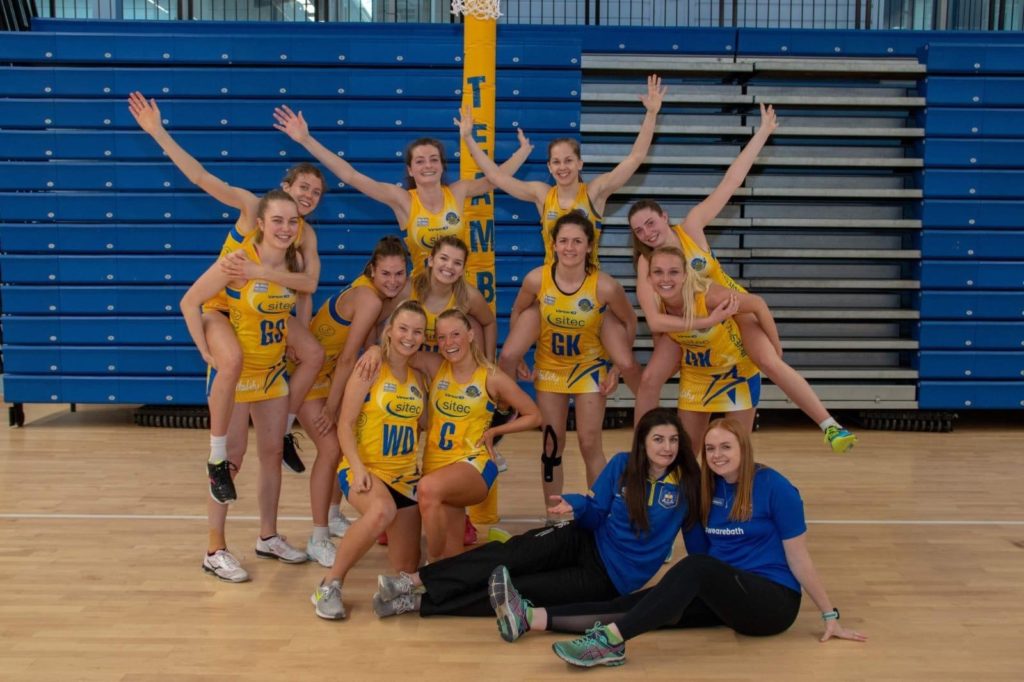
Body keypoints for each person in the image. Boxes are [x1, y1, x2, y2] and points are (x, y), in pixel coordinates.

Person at [498, 417, 866, 668]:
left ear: (743, 448)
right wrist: (678, 591)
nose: (717, 456)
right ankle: (531, 618)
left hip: (771, 603)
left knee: (694, 569)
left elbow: (799, 559)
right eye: (710, 449)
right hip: (726, 594)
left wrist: (829, 614)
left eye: (726, 447)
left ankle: (610, 642)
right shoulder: (704, 487)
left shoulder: (776, 488)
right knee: (640, 604)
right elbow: (702, 554)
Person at [627, 103, 856, 453]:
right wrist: (685, 330)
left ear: (664, 217)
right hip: (688, 320)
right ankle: (641, 451)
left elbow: (731, 180)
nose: (647, 232)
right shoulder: (645, 262)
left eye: (651, 223)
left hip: (729, 307)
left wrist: (762, 132)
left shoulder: (692, 226)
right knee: (649, 380)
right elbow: (655, 321)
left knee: (769, 362)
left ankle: (829, 425)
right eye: (639, 230)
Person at [129, 92, 326, 483]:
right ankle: (219, 460)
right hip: (221, 306)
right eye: (302, 187)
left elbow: (306, 289)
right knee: (232, 376)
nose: (307, 196)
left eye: (316, 193)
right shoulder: (253, 207)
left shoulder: (303, 235)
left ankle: (284, 430)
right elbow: (202, 177)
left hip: (260, 309)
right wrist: (158, 132)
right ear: (285, 185)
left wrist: (292, 332)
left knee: (313, 352)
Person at [370, 408, 704, 623]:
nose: (667, 448)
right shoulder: (622, 465)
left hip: (610, 579)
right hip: (585, 539)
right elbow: (597, 511)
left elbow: (697, 541)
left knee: (517, 589)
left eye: (673, 440)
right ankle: (412, 581)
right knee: (509, 555)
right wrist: (576, 506)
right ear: (642, 443)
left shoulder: (689, 484)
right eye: (658, 439)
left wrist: (713, 578)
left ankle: (417, 605)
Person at [458, 74, 667, 396]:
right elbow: (496, 176)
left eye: (569, 160)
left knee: (626, 364)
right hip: (552, 290)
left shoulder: (595, 192)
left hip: (589, 290)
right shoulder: (543, 194)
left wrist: (651, 114)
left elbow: (634, 159)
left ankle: (650, 422)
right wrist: (469, 138)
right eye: (556, 161)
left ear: (580, 163)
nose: (562, 166)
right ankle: (501, 417)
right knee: (510, 355)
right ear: (550, 166)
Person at [180, 190, 309, 582]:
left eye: (292, 221)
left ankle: (267, 536)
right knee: (229, 461)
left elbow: (300, 298)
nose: (285, 228)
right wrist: (207, 352)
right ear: (261, 224)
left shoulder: (295, 263)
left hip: (271, 372)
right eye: (277, 221)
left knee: (271, 455)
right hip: (237, 374)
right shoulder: (237, 261)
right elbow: (190, 302)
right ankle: (214, 550)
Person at [357, 308, 540, 564]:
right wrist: (375, 349)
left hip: (473, 463)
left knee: (427, 489)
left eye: (455, 334)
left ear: (471, 334)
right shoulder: (434, 365)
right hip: (438, 466)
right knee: (451, 557)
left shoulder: (491, 376)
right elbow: (399, 350)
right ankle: (471, 564)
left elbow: (534, 415)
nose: (448, 343)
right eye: (442, 337)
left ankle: (428, 570)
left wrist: (495, 431)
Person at [272, 104, 532, 284]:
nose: (428, 165)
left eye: (433, 159)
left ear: (442, 165)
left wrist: (522, 153)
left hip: (457, 287)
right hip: (419, 292)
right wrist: (306, 139)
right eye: (420, 161)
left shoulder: (459, 191)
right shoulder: (403, 200)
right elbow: (351, 176)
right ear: (410, 169)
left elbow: (495, 180)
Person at [507, 212, 637, 516]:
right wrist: (524, 356)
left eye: (577, 241)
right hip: (551, 369)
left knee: (590, 443)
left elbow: (629, 322)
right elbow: (519, 312)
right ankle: (555, 516)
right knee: (552, 446)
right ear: (553, 244)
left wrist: (616, 369)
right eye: (563, 240)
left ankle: (604, 515)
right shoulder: (536, 279)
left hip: (589, 369)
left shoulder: (604, 287)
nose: (570, 247)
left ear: (590, 246)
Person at [309, 300, 428, 620]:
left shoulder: (419, 379)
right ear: (389, 332)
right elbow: (345, 424)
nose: (409, 336)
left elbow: (426, 425)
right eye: (403, 328)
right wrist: (357, 467)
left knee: (406, 573)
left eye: (417, 331)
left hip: (405, 478)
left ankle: (393, 597)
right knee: (380, 511)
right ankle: (329, 585)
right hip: (366, 470)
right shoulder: (370, 367)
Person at [299, 236, 409, 567]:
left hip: (327, 372)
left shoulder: (376, 293)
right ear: (372, 270)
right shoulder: (369, 299)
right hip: (312, 375)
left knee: (347, 444)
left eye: (399, 274)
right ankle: (317, 538)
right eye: (386, 274)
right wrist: (332, 407)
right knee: (332, 449)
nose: (392, 280)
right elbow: (349, 358)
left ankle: (332, 516)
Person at [409, 236, 497, 359]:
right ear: (431, 261)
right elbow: (383, 318)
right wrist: (376, 349)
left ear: (462, 270)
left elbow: (489, 322)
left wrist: (490, 361)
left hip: (451, 358)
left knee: (473, 323)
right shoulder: (410, 289)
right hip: (417, 358)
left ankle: (476, 373)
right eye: (444, 258)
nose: (449, 266)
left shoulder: (469, 296)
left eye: (457, 263)